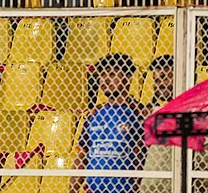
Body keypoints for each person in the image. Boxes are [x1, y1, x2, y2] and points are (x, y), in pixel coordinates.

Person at [72, 53, 145, 193]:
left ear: (128, 78)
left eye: (111, 74)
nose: (105, 80)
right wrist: (73, 189)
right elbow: (82, 156)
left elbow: (143, 157)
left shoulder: (138, 115)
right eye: (102, 75)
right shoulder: (93, 114)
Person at [139, 55, 174, 193]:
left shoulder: (191, 110)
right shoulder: (146, 112)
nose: (160, 83)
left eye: (165, 77)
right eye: (156, 80)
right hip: (151, 185)